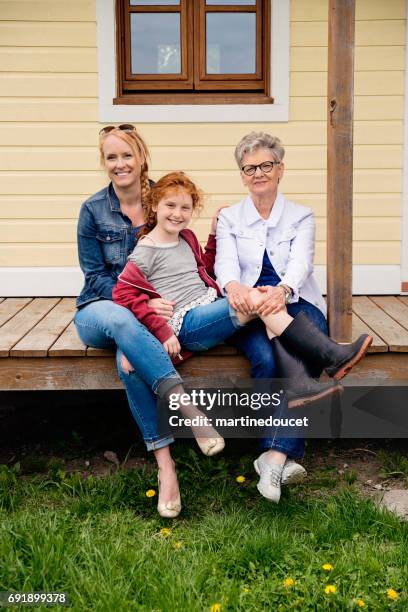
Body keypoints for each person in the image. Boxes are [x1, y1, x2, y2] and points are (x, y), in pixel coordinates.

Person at [114, 171, 372, 507]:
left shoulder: (187, 237)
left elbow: (201, 268)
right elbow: (123, 294)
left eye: (185, 207)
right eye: (170, 206)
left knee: (260, 301)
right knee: (256, 299)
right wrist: (160, 328)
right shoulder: (145, 248)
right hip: (187, 322)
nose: (177, 213)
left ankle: (327, 360)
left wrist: (210, 239)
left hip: (208, 306)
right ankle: (330, 356)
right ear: (154, 205)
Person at [75, 125, 227, 520]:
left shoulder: (166, 199)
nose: (120, 164)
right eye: (111, 157)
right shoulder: (92, 210)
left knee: (130, 362)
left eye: (127, 155)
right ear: (104, 163)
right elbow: (95, 277)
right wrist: (145, 301)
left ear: (142, 157)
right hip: (101, 309)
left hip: (153, 318)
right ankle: (189, 412)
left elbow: (186, 262)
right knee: (122, 321)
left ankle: (165, 468)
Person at [214, 131, 373, 502]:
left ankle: (272, 456)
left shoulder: (301, 215)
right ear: (241, 175)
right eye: (249, 168)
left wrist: (282, 291)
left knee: (301, 346)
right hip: (249, 306)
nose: (258, 173)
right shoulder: (230, 218)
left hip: (295, 299)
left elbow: (302, 262)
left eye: (265, 165)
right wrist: (235, 287)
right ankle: (333, 357)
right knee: (267, 358)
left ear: (280, 169)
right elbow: (225, 263)